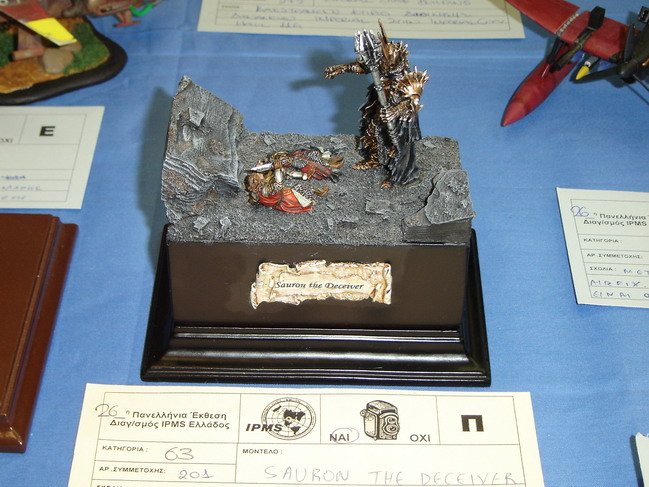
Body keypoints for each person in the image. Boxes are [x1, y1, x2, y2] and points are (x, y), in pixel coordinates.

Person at [325, 23, 428, 187]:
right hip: (379, 105)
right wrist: (342, 68)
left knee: (399, 147)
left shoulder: (408, 77)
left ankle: (399, 177)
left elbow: (413, 100)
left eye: (389, 64)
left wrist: (396, 110)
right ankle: (374, 159)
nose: (384, 67)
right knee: (371, 132)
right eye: (384, 63)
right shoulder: (381, 63)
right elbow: (364, 67)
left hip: (401, 119)